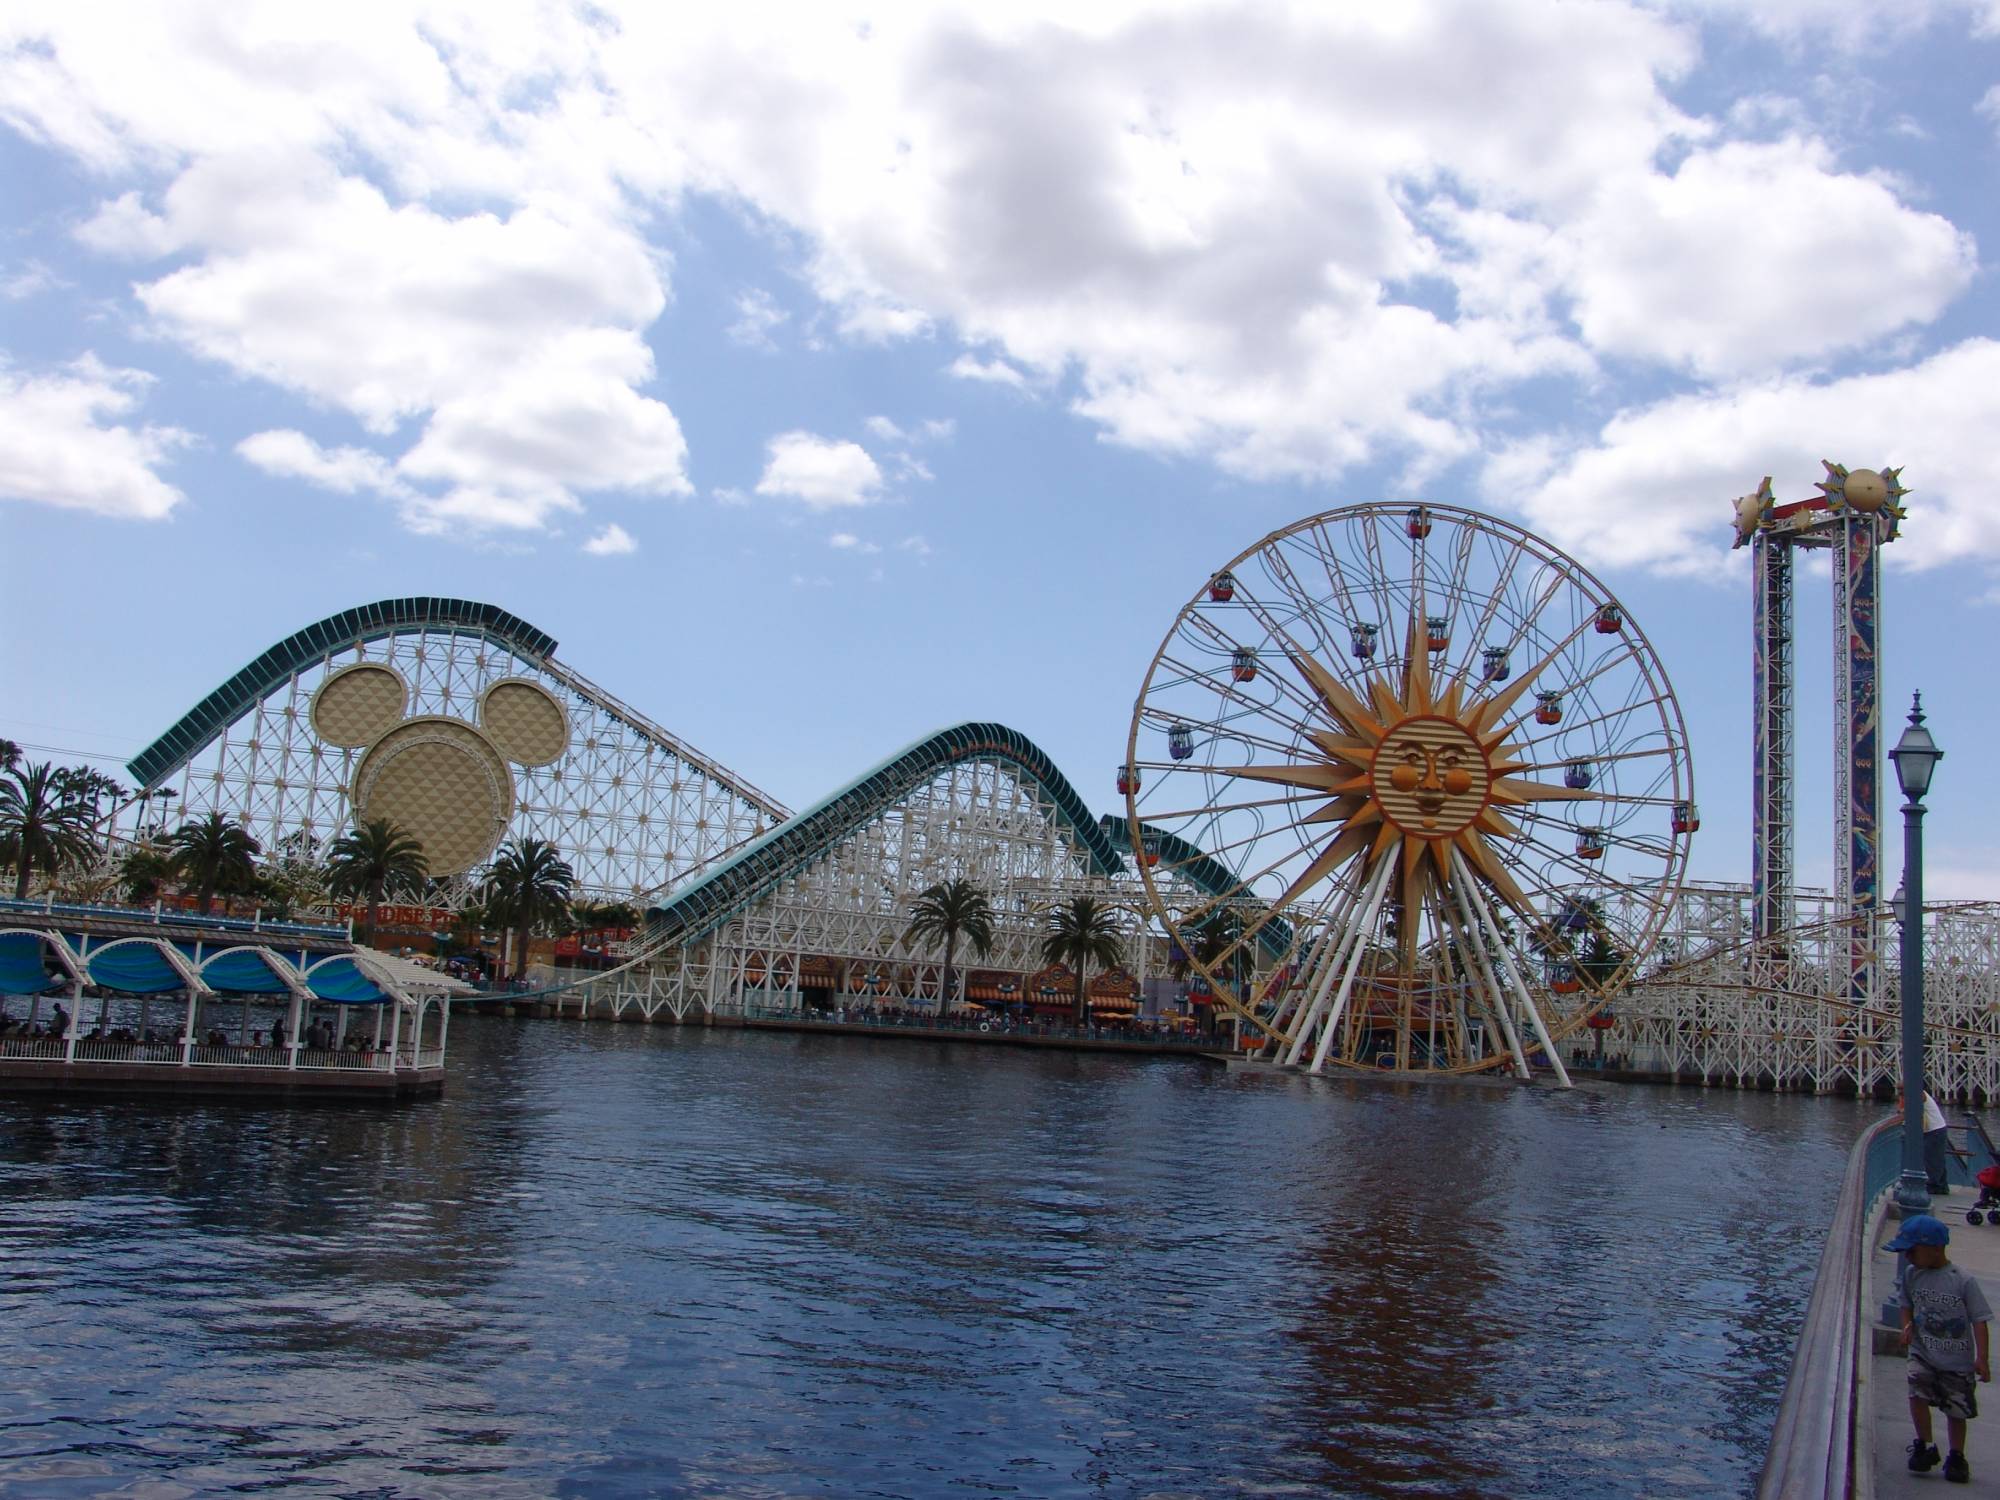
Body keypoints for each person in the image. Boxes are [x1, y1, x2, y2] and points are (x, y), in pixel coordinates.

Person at [1893, 1212, 1992, 1482]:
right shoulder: (1912, 1275)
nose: (1908, 1258)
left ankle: (1957, 1455)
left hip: (1956, 1360)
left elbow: (1979, 1321)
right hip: (1923, 1351)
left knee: (1955, 1409)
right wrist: (1906, 1327)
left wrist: (1982, 1358)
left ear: (1935, 1249)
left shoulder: (1962, 1281)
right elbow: (1906, 1305)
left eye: (1912, 1251)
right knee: (1916, 1392)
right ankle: (1925, 1444)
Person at [1895, 1089, 1955, 1195]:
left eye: (1901, 1092)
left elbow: (1908, 1109)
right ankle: (1941, 1186)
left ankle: (1934, 1186)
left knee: (1932, 1160)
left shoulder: (1920, 1094)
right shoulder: (1917, 1094)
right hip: (1936, 1128)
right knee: (1936, 1159)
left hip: (1934, 1130)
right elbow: (1903, 1109)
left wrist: (1904, 1104)